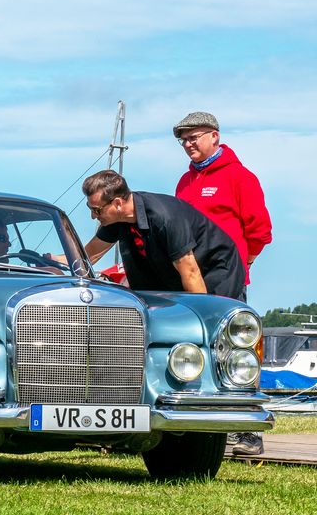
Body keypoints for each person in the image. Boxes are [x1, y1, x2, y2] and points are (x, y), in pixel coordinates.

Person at [173, 111, 273, 456]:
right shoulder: (185, 183)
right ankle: (198, 425)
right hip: (189, 279)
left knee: (234, 346)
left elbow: (260, 230)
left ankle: (247, 431)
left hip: (225, 277)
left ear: (214, 136)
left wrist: (241, 263)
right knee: (192, 345)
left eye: (194, 137)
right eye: (183, 140)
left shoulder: (240, 177)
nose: (188, 145)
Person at [79, 170, 245, 299]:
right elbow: (88, 257)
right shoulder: (115, 219)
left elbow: (191, 273)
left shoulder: (165, 218)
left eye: (97, 210)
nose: (93, 216)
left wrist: (201, 323)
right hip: (178, 277)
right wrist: (54, 263)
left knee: (208, 330)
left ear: (117, 204)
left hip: (214, 272)